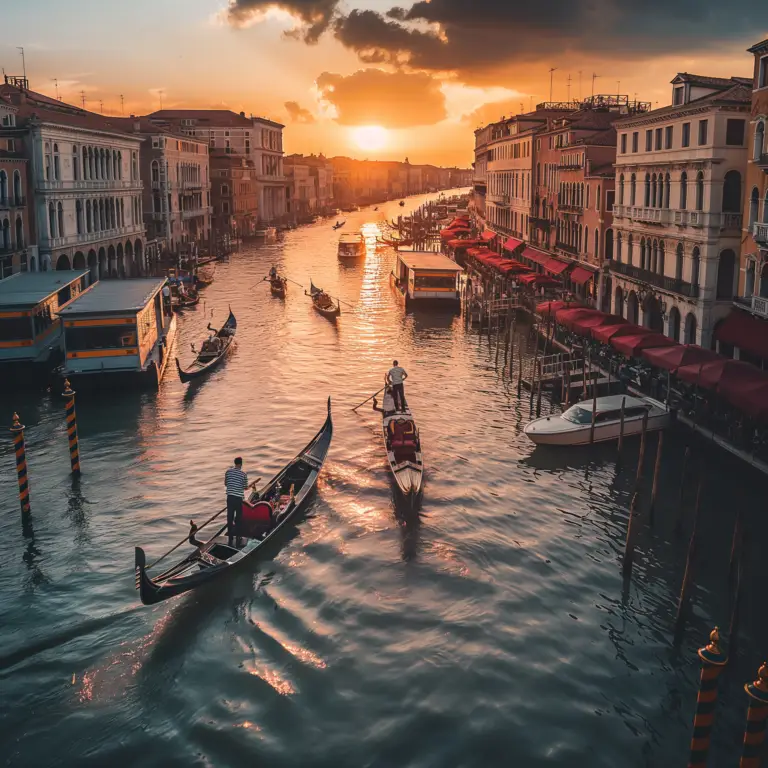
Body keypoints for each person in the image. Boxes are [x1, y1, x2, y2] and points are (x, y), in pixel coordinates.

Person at [224, 457, 249, 546]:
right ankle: (238, 536)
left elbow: (226, 484)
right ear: (241, 464)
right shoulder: (243, 474)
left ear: (234, 463)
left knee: (229, 517)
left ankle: (230, 536)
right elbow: (246, 487)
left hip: (230, 497)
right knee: (238, 518)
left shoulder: (228, 472)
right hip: (238, 498)